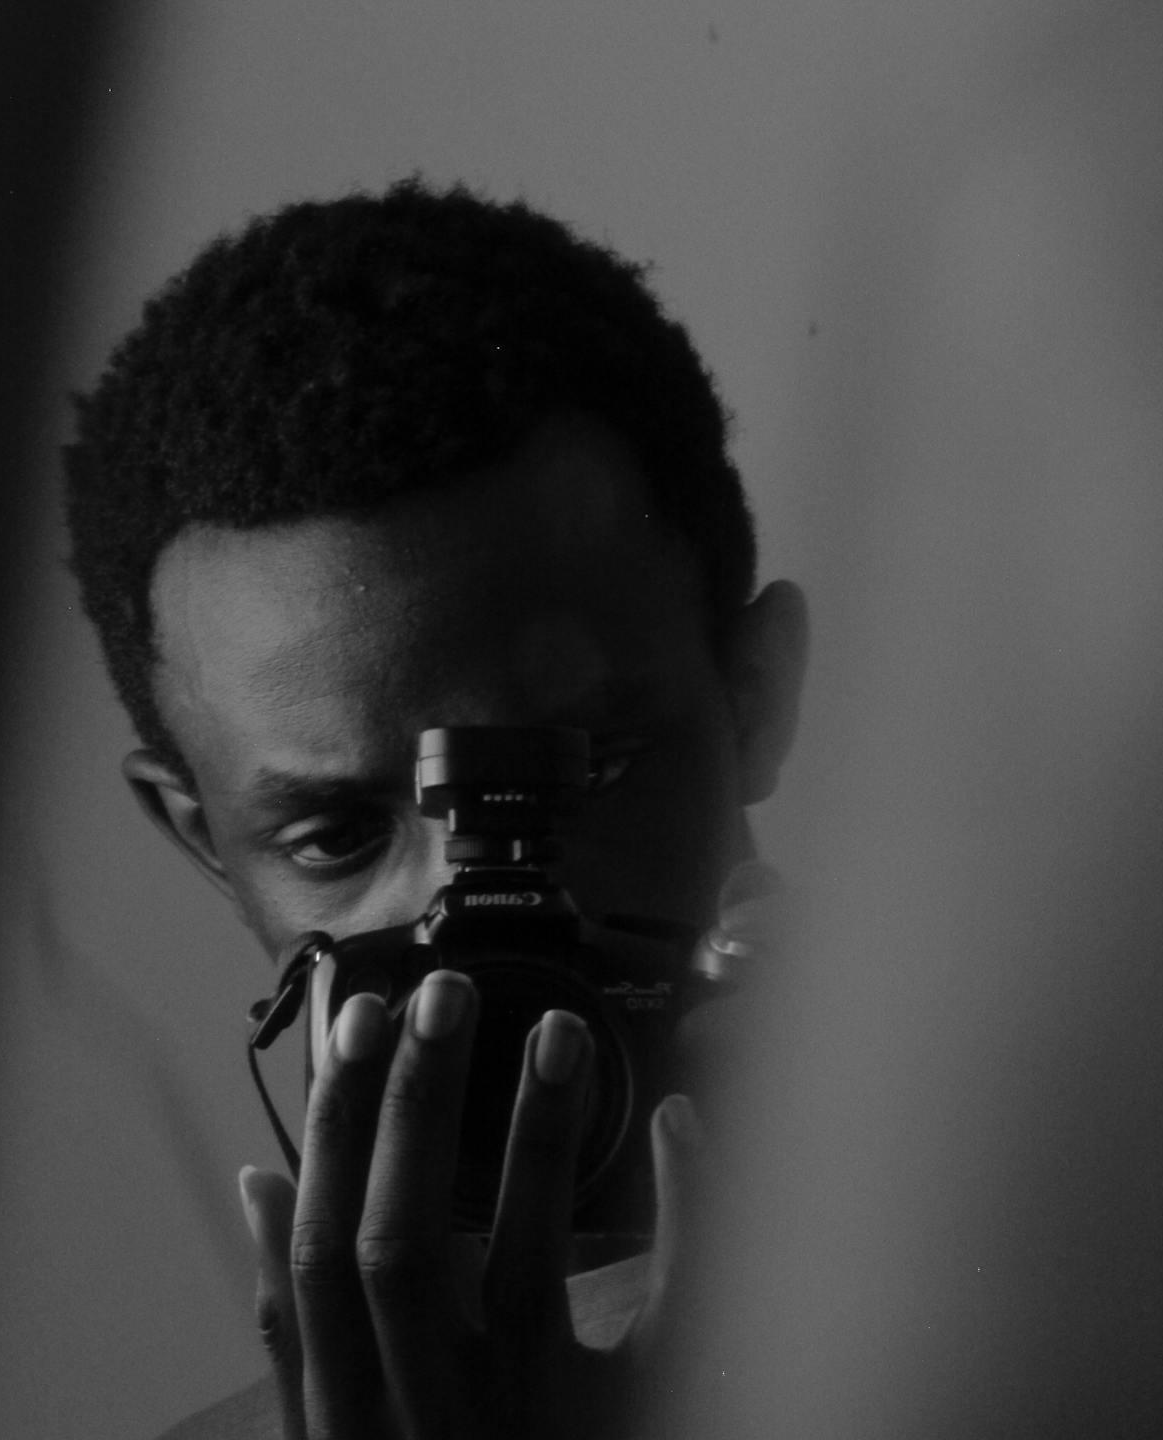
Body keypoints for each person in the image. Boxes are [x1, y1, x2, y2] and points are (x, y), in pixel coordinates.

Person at [62, 179, 808, 1439]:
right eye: (340, 838)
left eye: (576, 777)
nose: (474, 919)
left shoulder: (1160, 1298)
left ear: (755, 699)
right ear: (207, 848)